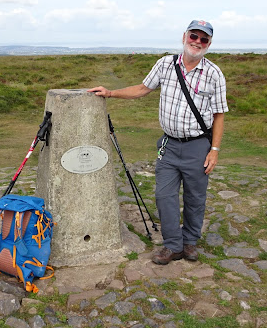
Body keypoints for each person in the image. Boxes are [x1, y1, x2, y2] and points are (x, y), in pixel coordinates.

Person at [88, 20, 228, 265]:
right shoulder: (165, 64)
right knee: (164, 196)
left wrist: (214, 150)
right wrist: (110, 93)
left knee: (195, 198)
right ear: (184, 36)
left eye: (203, 39)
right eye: (194, 36)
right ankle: (173, 245)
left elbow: (219, 114)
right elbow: (143, 88)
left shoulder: (214, 74)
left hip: (198, 146)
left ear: (209, 44)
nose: (197, 42)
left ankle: (190, 242)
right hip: (170, 146)